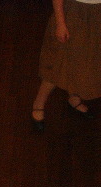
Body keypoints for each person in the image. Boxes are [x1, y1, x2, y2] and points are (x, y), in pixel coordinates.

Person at [31, 0, 100, 132]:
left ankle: (74, 96)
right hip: (73, 12)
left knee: (85, 64)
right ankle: (39, 103)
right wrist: (60, 23)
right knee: (58, 63)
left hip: (97, 14)